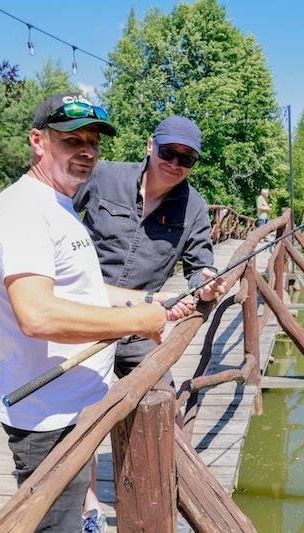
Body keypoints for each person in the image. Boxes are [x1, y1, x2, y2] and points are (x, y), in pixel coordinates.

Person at [0, 93, 182, 533]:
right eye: (72, 141)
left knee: (79, 518)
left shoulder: (58, 205)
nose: (86, 151)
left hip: (76, 410)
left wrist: (149, 303)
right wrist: (135, 323)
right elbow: (37, 315)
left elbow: (85, 291)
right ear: (39, 141)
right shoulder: (22, 212)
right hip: (45, 420)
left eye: (93, 141)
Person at [74, 115, 226, 381]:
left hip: (139, 332)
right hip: (82, 322)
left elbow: (199, 267)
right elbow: (54, 212)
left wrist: (206, 283)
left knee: (164, 410)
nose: (175, 164)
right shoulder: (103, 175)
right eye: (168, 152)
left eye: (186, 159)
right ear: (150, 145)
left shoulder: (195, 207)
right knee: (78, 416)